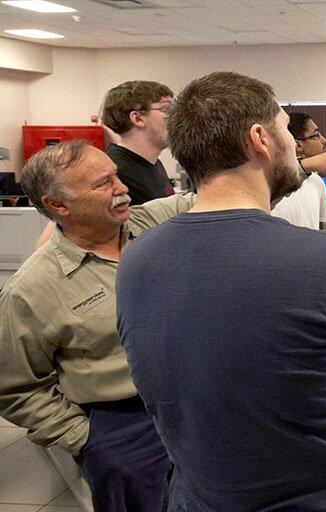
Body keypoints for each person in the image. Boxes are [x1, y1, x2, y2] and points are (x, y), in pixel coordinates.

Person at [115, 71, 326, 512]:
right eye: (287, 130)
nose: (296, 145)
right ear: (261, 138)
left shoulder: (135, 260)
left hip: (203, 496)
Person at [0, 140, 199, 512]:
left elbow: (229, 196)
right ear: (58, 205)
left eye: (117, 176)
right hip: (122, 421)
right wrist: (84, 438)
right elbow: (15, 387)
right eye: (103, 182)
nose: (122, 188)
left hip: (193, 395)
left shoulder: (152, 223)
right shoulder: (31, 290)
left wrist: (298, 165)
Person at [100, 80, 176, 205]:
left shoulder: (154, 164)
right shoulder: (115, 173)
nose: (176, 118)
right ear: (137, 118)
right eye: (167, 109)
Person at [272, 112, 326, 229]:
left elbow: (320, 229)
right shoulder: (272, 183)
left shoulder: (317, 182)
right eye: (316, 135)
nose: (324, 140)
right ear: (298, 144)